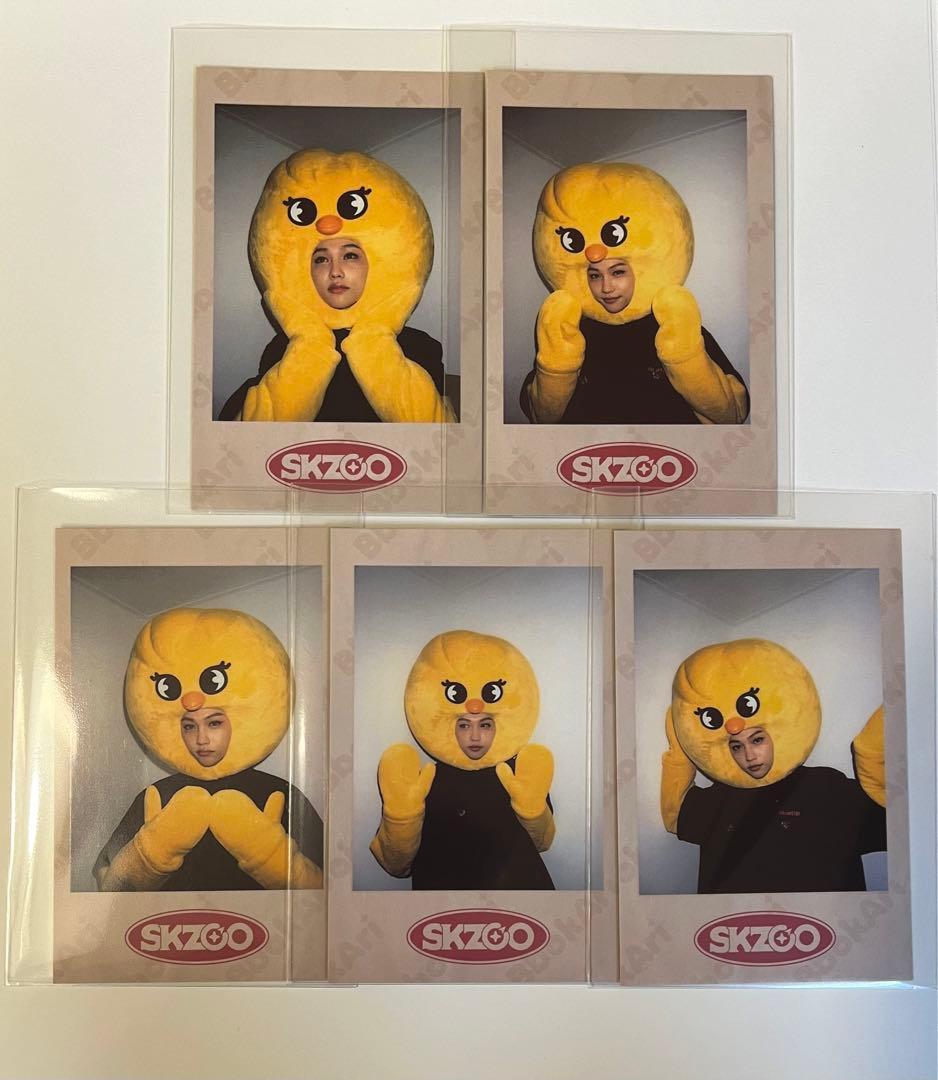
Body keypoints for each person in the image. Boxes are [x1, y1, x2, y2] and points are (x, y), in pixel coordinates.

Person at [94, 607, 323, 892]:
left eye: (214, 723)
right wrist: (147, 858)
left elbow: (326, 889)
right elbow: (106, 882)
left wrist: (271, 857)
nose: (201, 739)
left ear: (236, 723)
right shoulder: (158, 795)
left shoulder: (279, 792)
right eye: (189, 726)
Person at [218, 148, 454, 423]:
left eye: (350, 255)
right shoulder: (283, 346)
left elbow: (437, 436)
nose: (335, 271)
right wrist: (309, 346)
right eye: (321, 259)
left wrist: (375, 340)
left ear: (375, 264)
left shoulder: (420, 346)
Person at [520, 161, 749, 426]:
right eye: (594, 275)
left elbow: (733, 415)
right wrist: (558, 364)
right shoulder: (571, 330)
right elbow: (540, 418)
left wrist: (685, 358)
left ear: (637, 272)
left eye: (617, 272)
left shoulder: (673, 325)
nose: (606, 287)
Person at [660, 638, 886, 894]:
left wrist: (871, 753)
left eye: (757, 740)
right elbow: (675, 816)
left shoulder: (827, 787)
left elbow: (896, 820)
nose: (749, 756)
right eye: (736, 746)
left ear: (775, 735)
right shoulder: (720, 797)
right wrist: (679, 748)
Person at [370, 630, 555, 890]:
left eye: (485, 724)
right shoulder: (424, 780)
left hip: (517, 894)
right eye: (464, 725)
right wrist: (401, 816)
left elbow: (542, 843)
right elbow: (397, 866)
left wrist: (532, 807)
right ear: (450, 727)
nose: (475, 736)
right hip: (445, 903)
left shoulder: (518, 772)